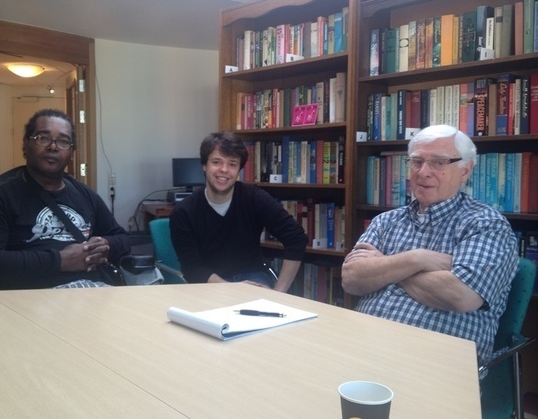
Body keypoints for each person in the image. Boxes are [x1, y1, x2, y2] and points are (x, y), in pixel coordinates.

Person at [342, 124, 518, 368]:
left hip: (435, 362)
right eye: (416, 161)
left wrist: (386, 266)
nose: (423, 172)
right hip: (361, 347)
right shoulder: (387, 220)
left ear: (465, 170)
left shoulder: (486, 225)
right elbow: (351, 279)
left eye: (438, 162)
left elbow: (460, 295)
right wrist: (417, 259)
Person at [0, 108, 130, 289]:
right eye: (43, 138)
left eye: (64, 141)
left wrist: (105, 246)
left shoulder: (84, 194)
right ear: (25, 144)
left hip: (94, 292)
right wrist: (59, 261)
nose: (53, 147)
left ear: (71, 152)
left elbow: (122, 239)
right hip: (29, 299)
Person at [170, 131, 308, 292]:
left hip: (253, 278)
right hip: (209, 285)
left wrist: (280, 292)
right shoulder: (184, 212)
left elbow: (296, 238)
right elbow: (192, 269)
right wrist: (234, 289)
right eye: (216, 162)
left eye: (232, 164)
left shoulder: (254, 198)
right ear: (204, 165)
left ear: (238, 170)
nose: (224, 170)